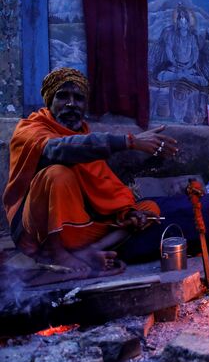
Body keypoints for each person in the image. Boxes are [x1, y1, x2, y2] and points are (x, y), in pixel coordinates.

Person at [3, 67, 178, 281]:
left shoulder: (84, 135)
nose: (71, 104)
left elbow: (102, 191)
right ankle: (58, 255)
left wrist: (128, 214)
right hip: (38, 234)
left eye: (78, 98)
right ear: (49, 101)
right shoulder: (30, 129)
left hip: (77, 228)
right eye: (62, 96)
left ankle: (87, 252)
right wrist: (130, 141)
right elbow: (60, 149)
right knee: (57, 173)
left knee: (149, 209)